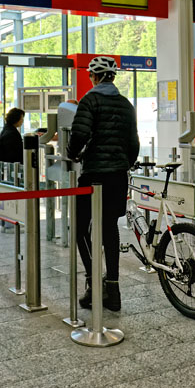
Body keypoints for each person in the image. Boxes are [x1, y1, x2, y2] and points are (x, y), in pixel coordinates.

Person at [67, 56, 139, 312]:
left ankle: (93, 283)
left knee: (79, 228)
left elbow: (78, 135)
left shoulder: (90, 100)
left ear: (94, 77)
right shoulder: (125, 104)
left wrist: (73, 153)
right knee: (109, 226)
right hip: (119, 175)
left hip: (94, 175)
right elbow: (134, 144)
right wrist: (123, 164)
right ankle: (114, 290)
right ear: (113, 77)